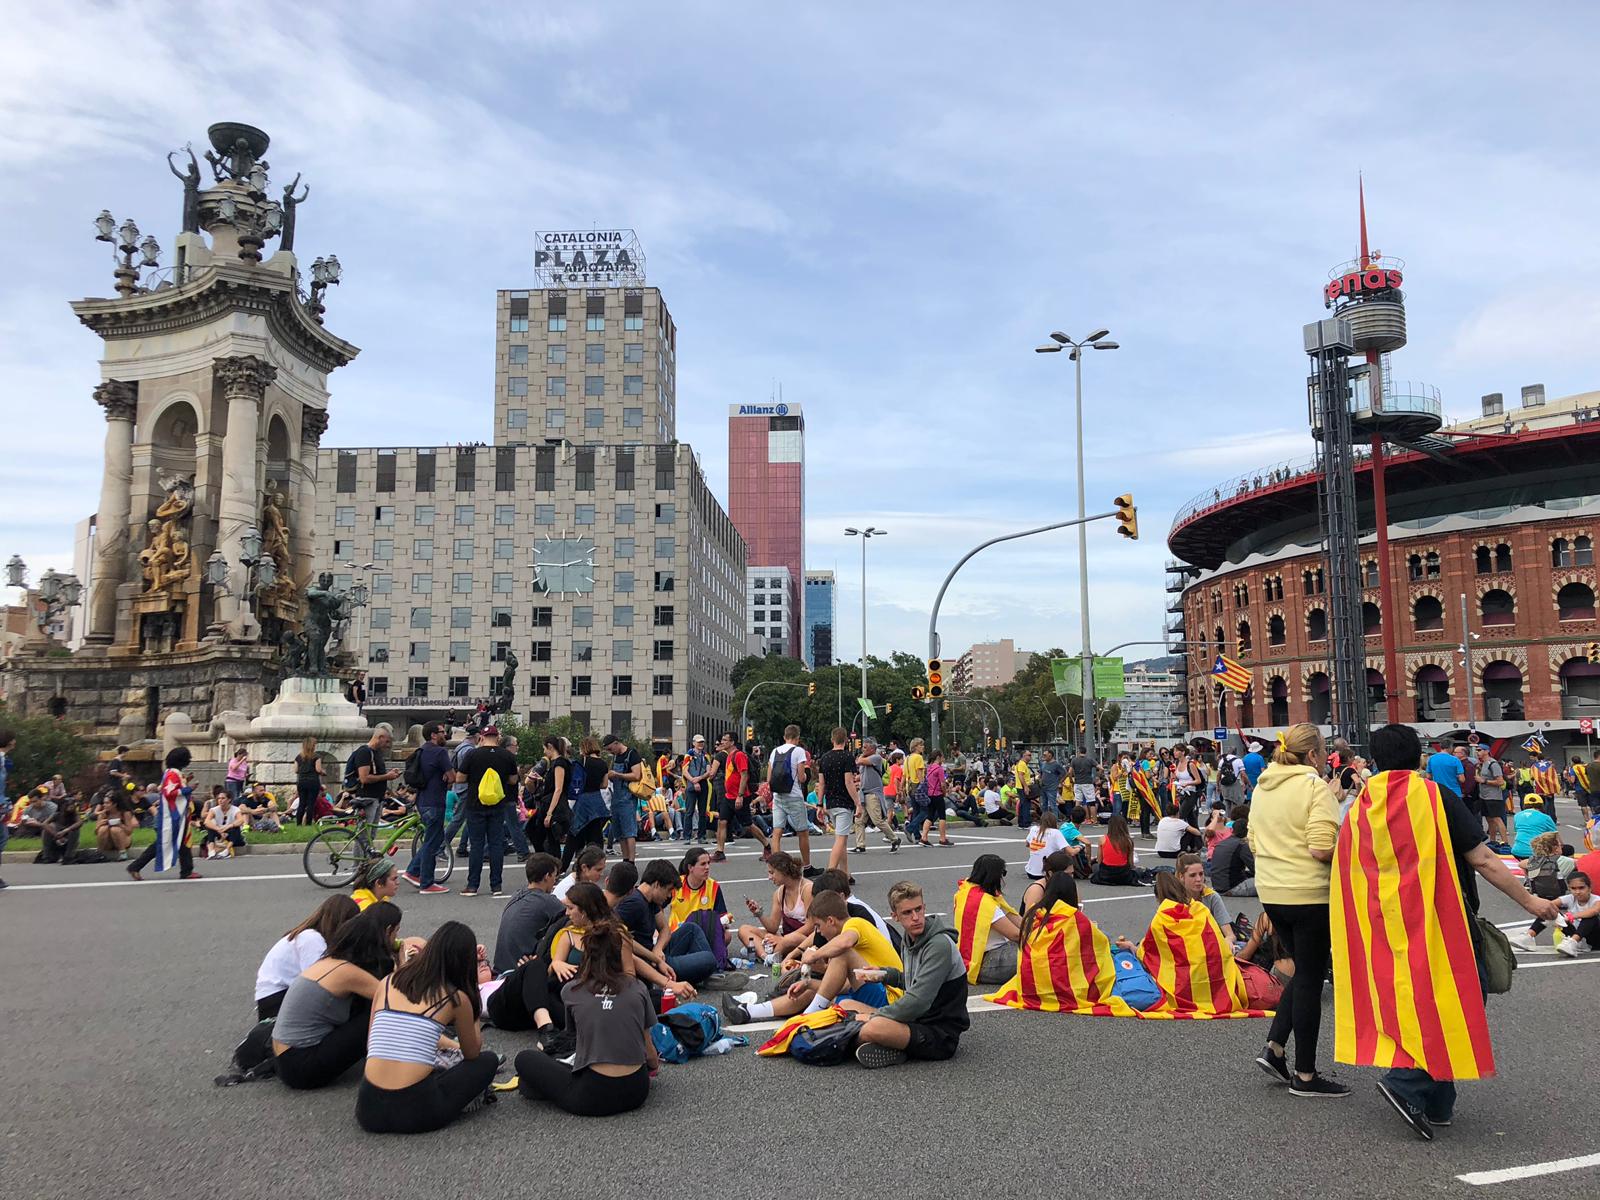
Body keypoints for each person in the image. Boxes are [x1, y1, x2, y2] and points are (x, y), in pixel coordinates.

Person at [1334, 723, 1561, 1139]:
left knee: (1416, 1003)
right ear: (1416, 757)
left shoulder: (1361, 805)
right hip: (1443, 920)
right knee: (1462, 996)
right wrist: (1530, 903)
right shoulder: (1436, 798)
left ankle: (1437, 1101)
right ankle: (1408, 1083)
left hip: (1385, 923)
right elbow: (1484, 859)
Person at [1247, 722, 1346, 1096]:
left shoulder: (1262, 786)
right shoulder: (1314, 787)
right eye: (1322, 751)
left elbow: (1254, 842)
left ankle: (1275, 1047)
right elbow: (1321, 849)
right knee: (1310, 976)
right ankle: (1305, 1074)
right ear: (1312, 755)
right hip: (1308, 891)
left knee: (1304, 972)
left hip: (1272, 890)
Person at [357, 920, 499, 1134]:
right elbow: (472, 1053)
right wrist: (474, 1006)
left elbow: (371, 1045)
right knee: (487, 1061)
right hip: (416, 1111)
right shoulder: (456, 997)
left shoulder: (387, 982)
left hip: (368, 1107)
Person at [514, 915, 659, 1116]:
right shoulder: (637, 988)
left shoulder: (572, 991)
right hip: (637, 1090)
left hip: (592, 1094)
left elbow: (575, 1041)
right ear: (619, 955)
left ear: (586, 955)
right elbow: (650, 1053)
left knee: (525, 1060)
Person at [272, 901, 402, 1090]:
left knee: (368, 1006)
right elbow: (399, 999)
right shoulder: (347, 973)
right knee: (380, 1012)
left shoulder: (330, 962)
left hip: (284, 1060)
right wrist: (403, 961)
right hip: (301, 1066)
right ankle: (404, 1061)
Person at [723, 889, 902, 1024]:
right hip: (876, 990)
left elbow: (845, 944)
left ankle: (806, 1017)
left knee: (842, 955)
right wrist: (810, 982)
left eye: (818, 926)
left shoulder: (855, 924)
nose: (819, 933)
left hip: (891, 996)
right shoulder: (847, 937)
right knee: (811, 990)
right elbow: (848, 985)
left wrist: (812, 956)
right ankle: (749, 1011)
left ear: (831, 920)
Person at [851, 880, 972, 1068]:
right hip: (916, 1021)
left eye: (918, 909)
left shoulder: (938, 945)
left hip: (939, 1034)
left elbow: (918, 1001)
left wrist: (874, 1017)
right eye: (907, 912)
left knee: (871, 1027)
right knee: (847, 1005)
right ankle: (895, 1047)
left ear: (924, 908)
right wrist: (884, 974)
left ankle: (893, 1045)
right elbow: (911, 981)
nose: (915, 917)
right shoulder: (909, 940)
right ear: (895, 916)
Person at [609, 859, 712, 993]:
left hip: (655, 955)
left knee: (691, 929)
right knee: (708, 959)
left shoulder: (651, 900)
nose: (669, 896)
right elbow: (620, 939)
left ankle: (704, 975)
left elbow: (665, 929)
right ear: (657, 884)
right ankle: (705, 975)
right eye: (668, 890)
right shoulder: (634, 903)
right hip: (647, 963)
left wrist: (658, 949)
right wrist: (656, 959)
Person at [254, 896, 361, 1018]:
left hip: (277, 995)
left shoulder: (309, 935)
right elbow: (321, 982)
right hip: (276, 999)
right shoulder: (312, 939)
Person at [459, 724, 518, 897]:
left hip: (475, 804)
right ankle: (496, 886)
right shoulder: (507, 755)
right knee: (496, 844)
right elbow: (513, 780)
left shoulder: (473, 754)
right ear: (498, 738)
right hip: (498, 804)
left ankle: (472, 886)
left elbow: (460, 777)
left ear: (481, 738)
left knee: (476, 844)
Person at [127, 746, 200, 881]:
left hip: (175, 815)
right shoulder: (173, 774)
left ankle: (187, 870)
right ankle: (135, 866)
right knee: (165, 843)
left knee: (181, 842)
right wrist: (188, 789)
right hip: (173, 815)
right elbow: (169, 793)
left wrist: (186, 783)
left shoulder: (172, 773)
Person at [401, 721, 455, 894]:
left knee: (431, 840)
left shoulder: (421, 751)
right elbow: (452, 776)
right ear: (433, 735)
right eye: (441, 732)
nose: (444, 735)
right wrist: (448, 777)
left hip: (422, 802)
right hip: (435, 802)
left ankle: (413, 871)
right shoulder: (440, 752)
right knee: (432, 842)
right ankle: (426, 882)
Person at [953, 854, 1022, 984]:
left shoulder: (965, 892)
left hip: (970, 957)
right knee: (1041, 956)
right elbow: (1016, 934)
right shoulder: (985, 903)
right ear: (995, 876)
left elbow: (1016, 919)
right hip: (985, 961)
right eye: (1003, 873)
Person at [735, 851, 814, 963]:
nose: (769, 877)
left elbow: (810, 925)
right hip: (785, 939)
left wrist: (781, 939)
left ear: (783, 871)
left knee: (792, 939)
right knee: (744, 929)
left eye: (772, 873)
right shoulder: (779, 893)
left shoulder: (807, 889)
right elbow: (773, 928)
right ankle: (765, 956)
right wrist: (759, 913)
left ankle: (760, 950)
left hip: (804, 940)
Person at [492, 853, 564, 973]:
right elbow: (571, 917)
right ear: (547, 876)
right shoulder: (548, 901)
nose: (554, 882)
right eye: (554, 877)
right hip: (519, 971)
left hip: (500, 968)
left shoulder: (517, 894)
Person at [712, 731, 769, 863]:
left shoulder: (739, 755)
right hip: (728, 796)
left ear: (732, 742)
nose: (722, 742)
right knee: (722, 821)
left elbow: (744, 775)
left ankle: (767, 845)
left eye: (725, 740)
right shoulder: (728, 755)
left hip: (739, 796)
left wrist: (740, 796)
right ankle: (720, 852)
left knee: (748, 825)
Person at [1512, 870, 1597, 957]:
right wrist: (1553, 917)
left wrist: (1571, 917)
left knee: (1591, 917)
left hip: (1595, 938)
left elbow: (1594, 911)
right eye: (1573, 888)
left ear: (1589, 888)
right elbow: (1549, 905)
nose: (1577, 892)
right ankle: (1529, 936)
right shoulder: (1570, 898)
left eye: (1581, 888)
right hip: (1576, 933)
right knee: (1549, 911)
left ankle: (1573, 942)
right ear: (1569, 888)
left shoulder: (1596, 900)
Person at [810, 727, 860, 871]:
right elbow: (848, 782)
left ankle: (845, 873)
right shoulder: (847, 756)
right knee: (841, 840)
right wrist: (858, 803)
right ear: (846, 740)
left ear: (832, 740)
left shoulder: (825, 758)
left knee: (841, 839)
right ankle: (831, 872)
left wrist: (820, 804)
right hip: (844, 802)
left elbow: (821, 783)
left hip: (830, 802)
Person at [766, 724, 815, 872]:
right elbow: (801, 777)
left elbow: (769, 778)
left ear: (784, 737)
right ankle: (807, 866)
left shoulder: (774, 751)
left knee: (777, 832)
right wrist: (806, 775)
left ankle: (775, 866)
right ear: (797, 738)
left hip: (778, 796)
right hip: (793, 796)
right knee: (803, 832)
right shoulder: (799, 751)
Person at [564, 736, 611, 870]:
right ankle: (595, 865)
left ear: (584, 748)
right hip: (597, 800)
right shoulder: (603, 763)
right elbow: (604, 785)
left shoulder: (581, 762)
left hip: (583, 800)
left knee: (573, 834)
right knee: (596, 836)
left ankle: (563, 868)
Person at [1174, 851, 1238, 941]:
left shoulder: (1211, 897)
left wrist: (1227, 942)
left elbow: (1230, 935)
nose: (1199, 879)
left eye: (1201, 874)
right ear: (1181, 877)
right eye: (1193, 875)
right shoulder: (1174, 900)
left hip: (1211, 945)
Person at [854, 738, 902, 854]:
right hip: (863, 793)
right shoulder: (865, 759)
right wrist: (857, 779)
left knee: (877, 820)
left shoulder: (876, 758)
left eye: (865, 747)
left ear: (873, 749)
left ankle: (894, 839)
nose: (863, 749)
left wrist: (860, 758)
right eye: (863, 747)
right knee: (859, 820)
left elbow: (859, 761)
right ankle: (860, 845)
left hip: (873, 793)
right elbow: (862, 772)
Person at [348, 724, 400, 825]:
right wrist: (387, 776)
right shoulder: (364, 752)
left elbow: (376, 773)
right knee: (364, 833)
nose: (388, 745)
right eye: (387, 741)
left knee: (371, 833)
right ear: (380, 738)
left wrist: (390, 773)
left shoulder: (377, 753)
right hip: (367, 798)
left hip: (378, 798)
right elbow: (364, 778)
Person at [603, 733, 642, 864]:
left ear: (616, 743)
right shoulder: (615, 758)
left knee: (629, 831)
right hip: (616, 797)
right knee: (619, 831)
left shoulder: (632, 754)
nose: (610, 752)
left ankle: (631, 860)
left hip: (627, 797)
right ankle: (625, 859)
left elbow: (637, 775)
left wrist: (618, 775)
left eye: (610, 749)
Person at [1211, 809, 1257, 895]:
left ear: (1233, 829)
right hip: (1231, 887)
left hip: (1217, 885)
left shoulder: (1222, 843)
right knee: (1267, 882)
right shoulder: (1241, 845)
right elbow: (1255, 868)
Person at [1090, 814, 1139, 886]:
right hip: (1123, 874)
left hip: (1106, 873)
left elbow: (1100, 861)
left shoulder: (1102, 839)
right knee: (1139, 871)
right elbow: (1130, 863)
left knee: (1094, 866)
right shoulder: (1128, 841)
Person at [200, 786, 247, 857]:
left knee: (235, 829)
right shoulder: (213, 810)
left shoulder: (235, 809)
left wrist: (229, 826)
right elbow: (207, 821)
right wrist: (218, 829)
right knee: (210, 828)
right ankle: (211, 850)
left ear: (229, 800)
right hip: (219, 831)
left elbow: (241, 820)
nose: (220, 800)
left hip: (230, 832)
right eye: (219, 798)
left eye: (223, 798)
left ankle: (227, 850)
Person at [1024, 810, 1070, 880]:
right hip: (1047, 874)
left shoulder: (1033, 829)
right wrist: (1080, 847)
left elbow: (1027, 844)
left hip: (1030, 872)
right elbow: (1071, 851)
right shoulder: (1056, 832)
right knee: (1065, 854)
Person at [1509, 794, 1558, 860]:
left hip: (1517, 851)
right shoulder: (1545, 817)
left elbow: (1516, 830)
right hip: (1536, 852)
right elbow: (1554, 835)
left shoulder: (1517, 816)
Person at [292, 738, 325, 826]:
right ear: (312, 746)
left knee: (302, 803)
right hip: (313, 782)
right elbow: (318, 769)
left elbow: (295, 770)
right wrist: (323, 772)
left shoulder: (298, 757)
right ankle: (308, 823)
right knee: (311, 803)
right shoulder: (316, 757)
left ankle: (298, 824)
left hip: (302, 782)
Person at [1038, 749, 1066, 817]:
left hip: (1051, 788)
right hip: (1043, 787)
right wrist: (1040, 778)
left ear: (1050, 755)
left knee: (1053, 805)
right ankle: (1044, 821)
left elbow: (1064, 773)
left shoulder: (1056, 764)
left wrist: (1060, 782)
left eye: (1045, 755)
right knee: (1043, 805)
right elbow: (1041, 773)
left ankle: (1054, 822)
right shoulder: (1043, 764)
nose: (1043, 756)